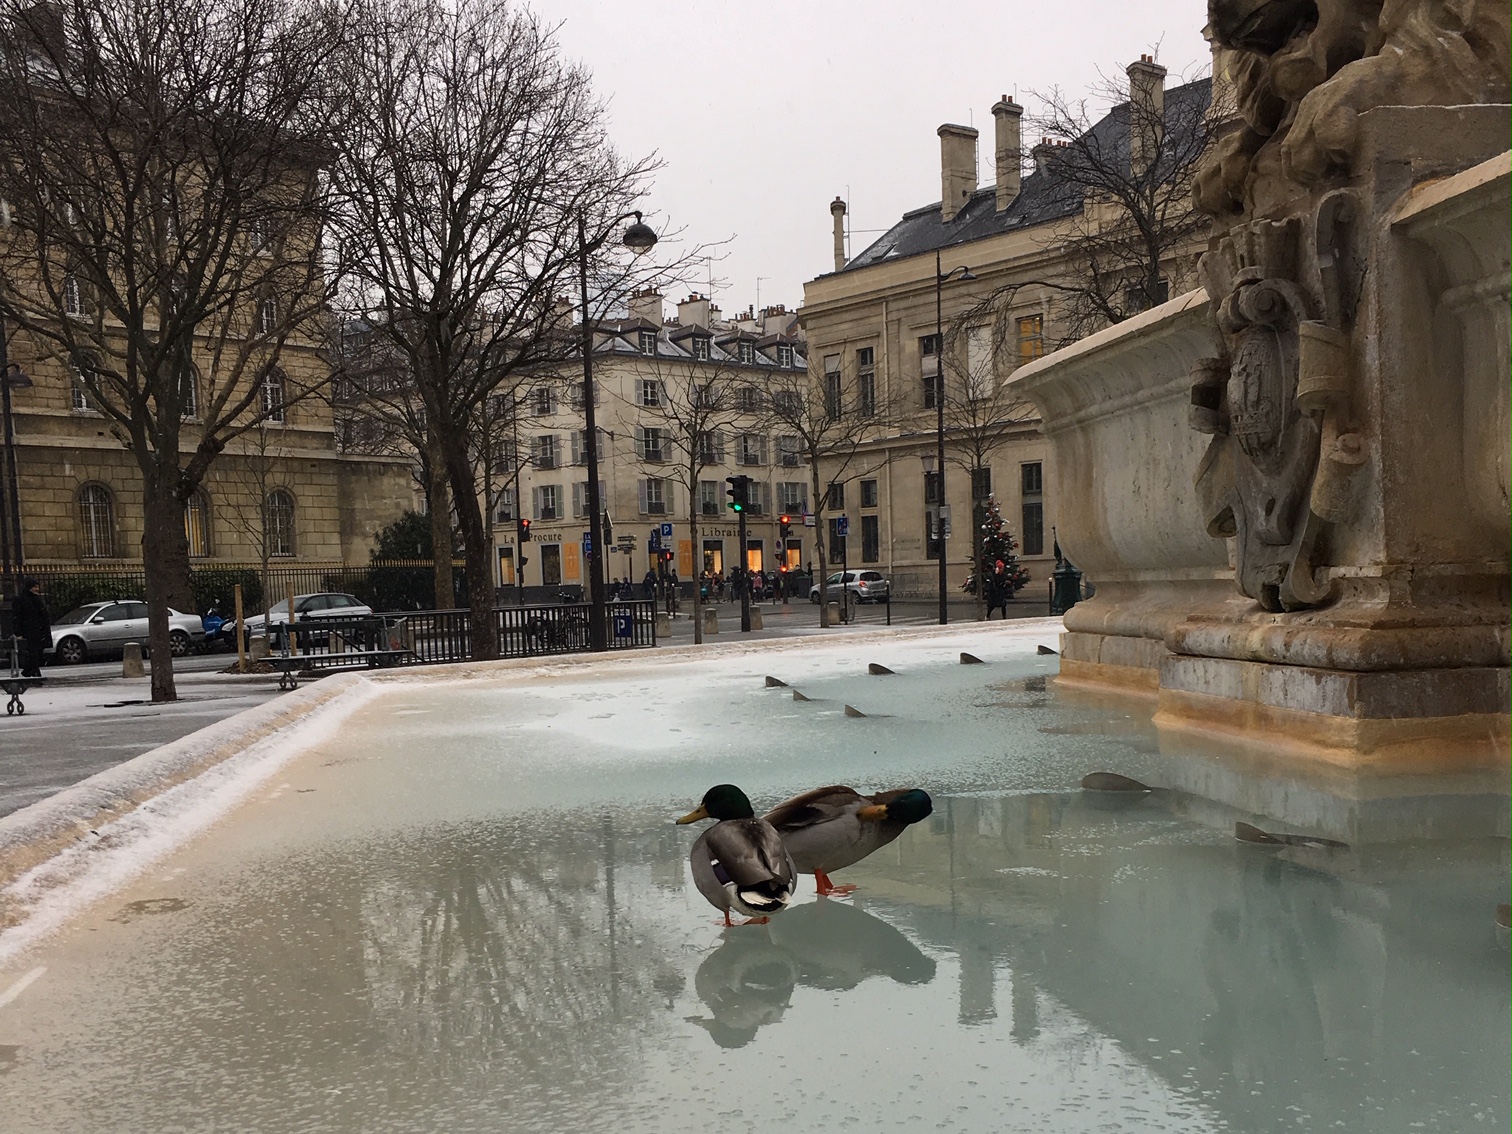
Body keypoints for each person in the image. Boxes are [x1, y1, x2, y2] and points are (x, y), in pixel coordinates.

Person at [10, 578, 51, 677]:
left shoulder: (38, 599)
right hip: (28, 631)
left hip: (39, 631)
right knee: (33, 653)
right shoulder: (21, 600)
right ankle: (36, 673)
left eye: (37, 586)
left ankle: (28, 671)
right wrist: (18, 633)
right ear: (29, 588)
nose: (37, 589)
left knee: (39, 653)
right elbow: (17, 617)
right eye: (34, 587)